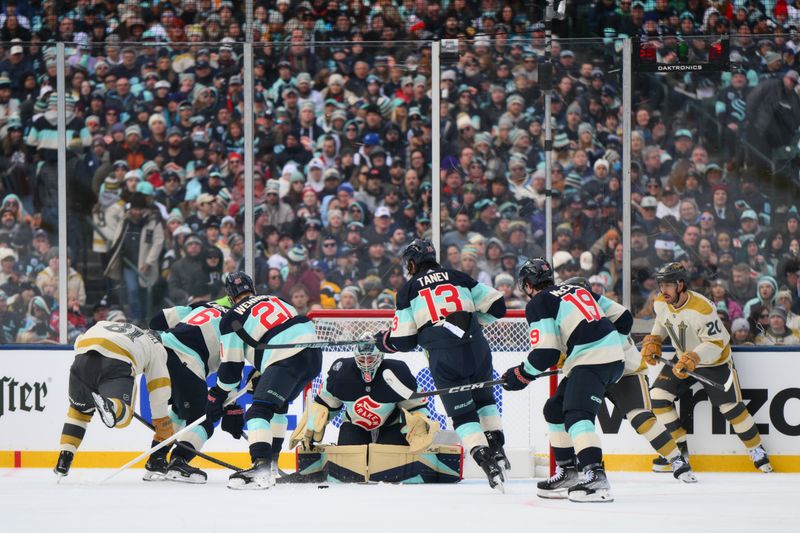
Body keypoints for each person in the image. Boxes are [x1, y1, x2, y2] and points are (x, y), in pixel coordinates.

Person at [373, 239, 509, 491]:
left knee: (463, 413)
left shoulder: (407, 290)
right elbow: (499, 307)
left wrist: (384, 342)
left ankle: (485, 459)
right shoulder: (459, 276)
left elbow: (403, 340)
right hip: (477, 348)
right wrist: (471, 322)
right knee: (484, 399)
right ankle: (497, 446)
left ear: (412, 263)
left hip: (444, 356)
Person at [501, 258, 625, 503]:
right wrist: (610, 346)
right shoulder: (578, 289)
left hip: (592, 359)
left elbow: (545, 353)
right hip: (602, 358)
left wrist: (520, 374)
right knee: (555, 409)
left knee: (577, 414)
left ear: (527, 284)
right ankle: (568, 472)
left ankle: (595, 475)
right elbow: (624, 318)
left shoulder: (540, 302)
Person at [641, 263, 772, 473]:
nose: (663, 290)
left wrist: (695, 356)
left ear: (680, 285)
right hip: (684, 356)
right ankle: (679, 450)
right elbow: (661, 321)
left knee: (732, 408)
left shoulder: (702, 308)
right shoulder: (660, 302)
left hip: (714, 360)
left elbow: (716, 343)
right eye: (661, 285)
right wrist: (655, 338)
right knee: (657, 397)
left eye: (668, 285)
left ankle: (756, 449)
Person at [564, 277, 696, 484]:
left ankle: (677, 459)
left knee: (640, 418)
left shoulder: (601, 317)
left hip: (626, 371)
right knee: (576, 416)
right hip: (593, 372)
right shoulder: (570, 318)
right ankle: (581, 463)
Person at [206, 271, 322, 489]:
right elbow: (278, 329)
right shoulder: (277, 299)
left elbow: (231, 370)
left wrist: (217, 395)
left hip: (284, 357)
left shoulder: (231, 317)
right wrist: (261, 370)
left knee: (258, 412)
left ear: (230, 296)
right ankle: (272, 466)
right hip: (313, 356)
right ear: (253, 288)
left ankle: (260, 467)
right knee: (278, 407)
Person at [290, 342, 445, 483]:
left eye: (370, 359)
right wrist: (317, 415)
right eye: (362, 359)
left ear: (380, 356)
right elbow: (325, 404)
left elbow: (415, 406)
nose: (365, 364)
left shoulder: (397, 372)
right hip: (354, 423)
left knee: (391, 466)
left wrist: (419, 418)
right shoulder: (341, 373)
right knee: (348, 469)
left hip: (390, 424)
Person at [54, 320, 173, 480]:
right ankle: (111, 405)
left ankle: (65, 458)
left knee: (78, 412)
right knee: (122, 418)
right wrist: (161, 422)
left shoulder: (108, 324)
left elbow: (79, 340)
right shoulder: (156, 347)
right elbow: (159, 386)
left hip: (82, 358)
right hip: (117, 361)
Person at [148, 293, 234, 484]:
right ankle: (179, 461)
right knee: (204, 417)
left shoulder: (200, 307)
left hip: (157, 353)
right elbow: (231, 369)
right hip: (186, 360)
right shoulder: (238, 323)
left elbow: (156, 320)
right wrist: (230, 404)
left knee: (180, 410)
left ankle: (156, 459)